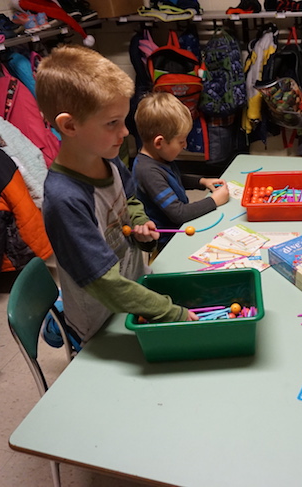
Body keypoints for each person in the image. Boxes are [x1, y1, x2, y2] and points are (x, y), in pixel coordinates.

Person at [36, 45, 197, 346]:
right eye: (112, 123)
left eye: (124, 121)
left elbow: (130, 201)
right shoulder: (64, 199)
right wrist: (169, 312)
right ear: (69, 125)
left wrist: (140, 226)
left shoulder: (108, 160)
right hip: (101, 322)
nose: (125, 133)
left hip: (134, 291)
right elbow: (104, 284)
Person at [132, 91, 229, 251]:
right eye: (181, 141)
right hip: (169, 243)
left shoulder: (159, 157)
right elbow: (179, 213)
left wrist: (202, 182)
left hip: (181, 230)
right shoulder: (148, 172)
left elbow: (175, 179)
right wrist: (214, 200)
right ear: (159, 142)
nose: (184, 146)